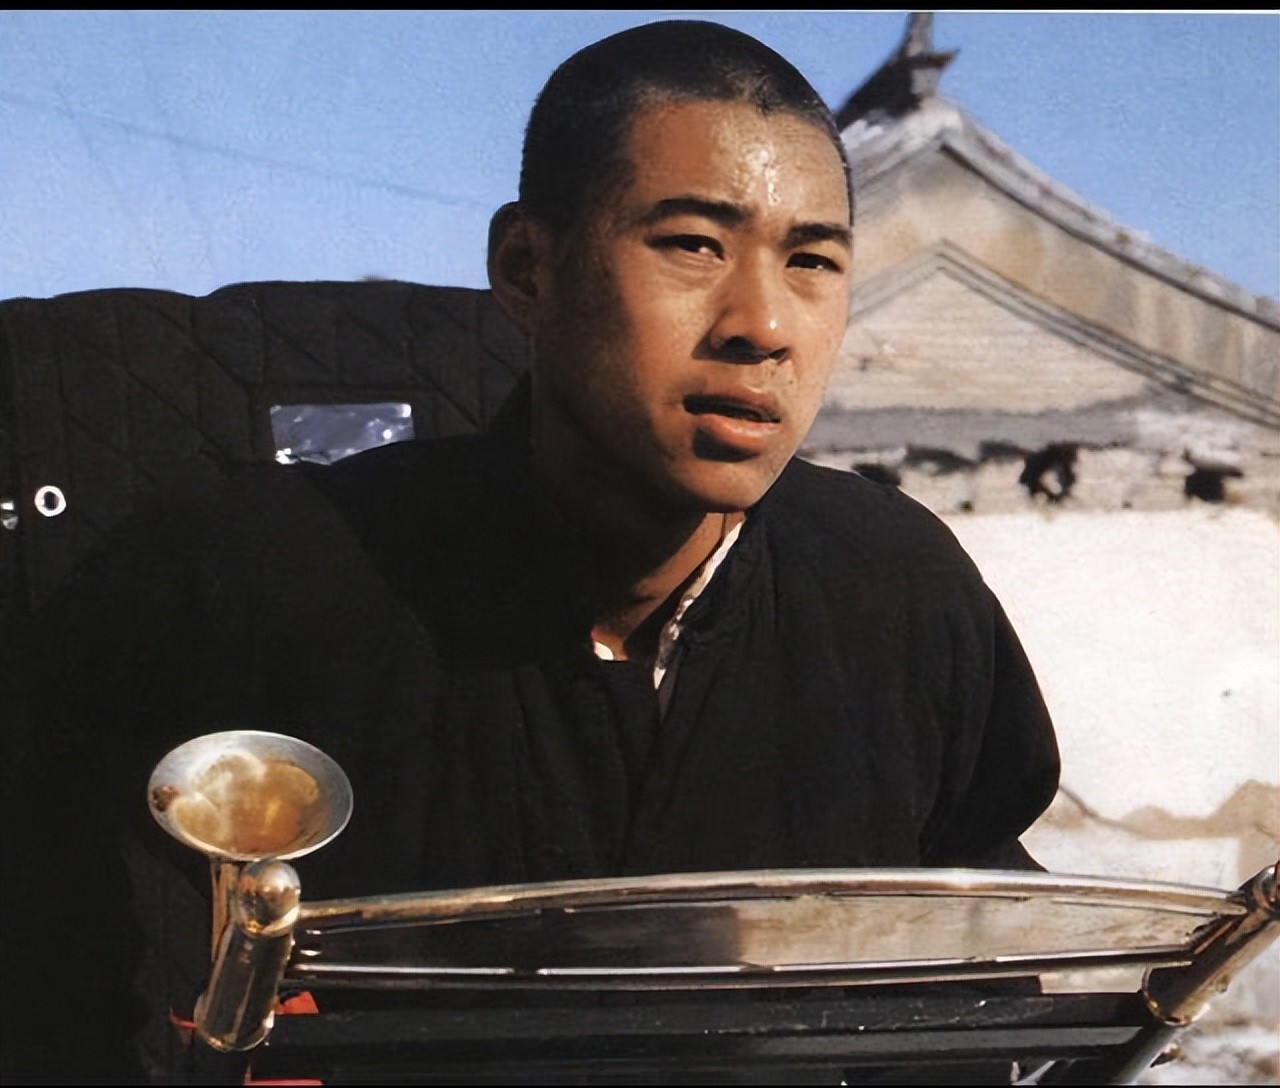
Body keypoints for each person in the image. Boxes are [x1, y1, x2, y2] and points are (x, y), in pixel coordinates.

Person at [3, 19, 1059, 1083]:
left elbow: (982, 952)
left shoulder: (896, 589)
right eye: (692, 244)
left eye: (813, 261)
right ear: (526, 267)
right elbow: (78, 985)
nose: (763, 324)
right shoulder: (254, 577)